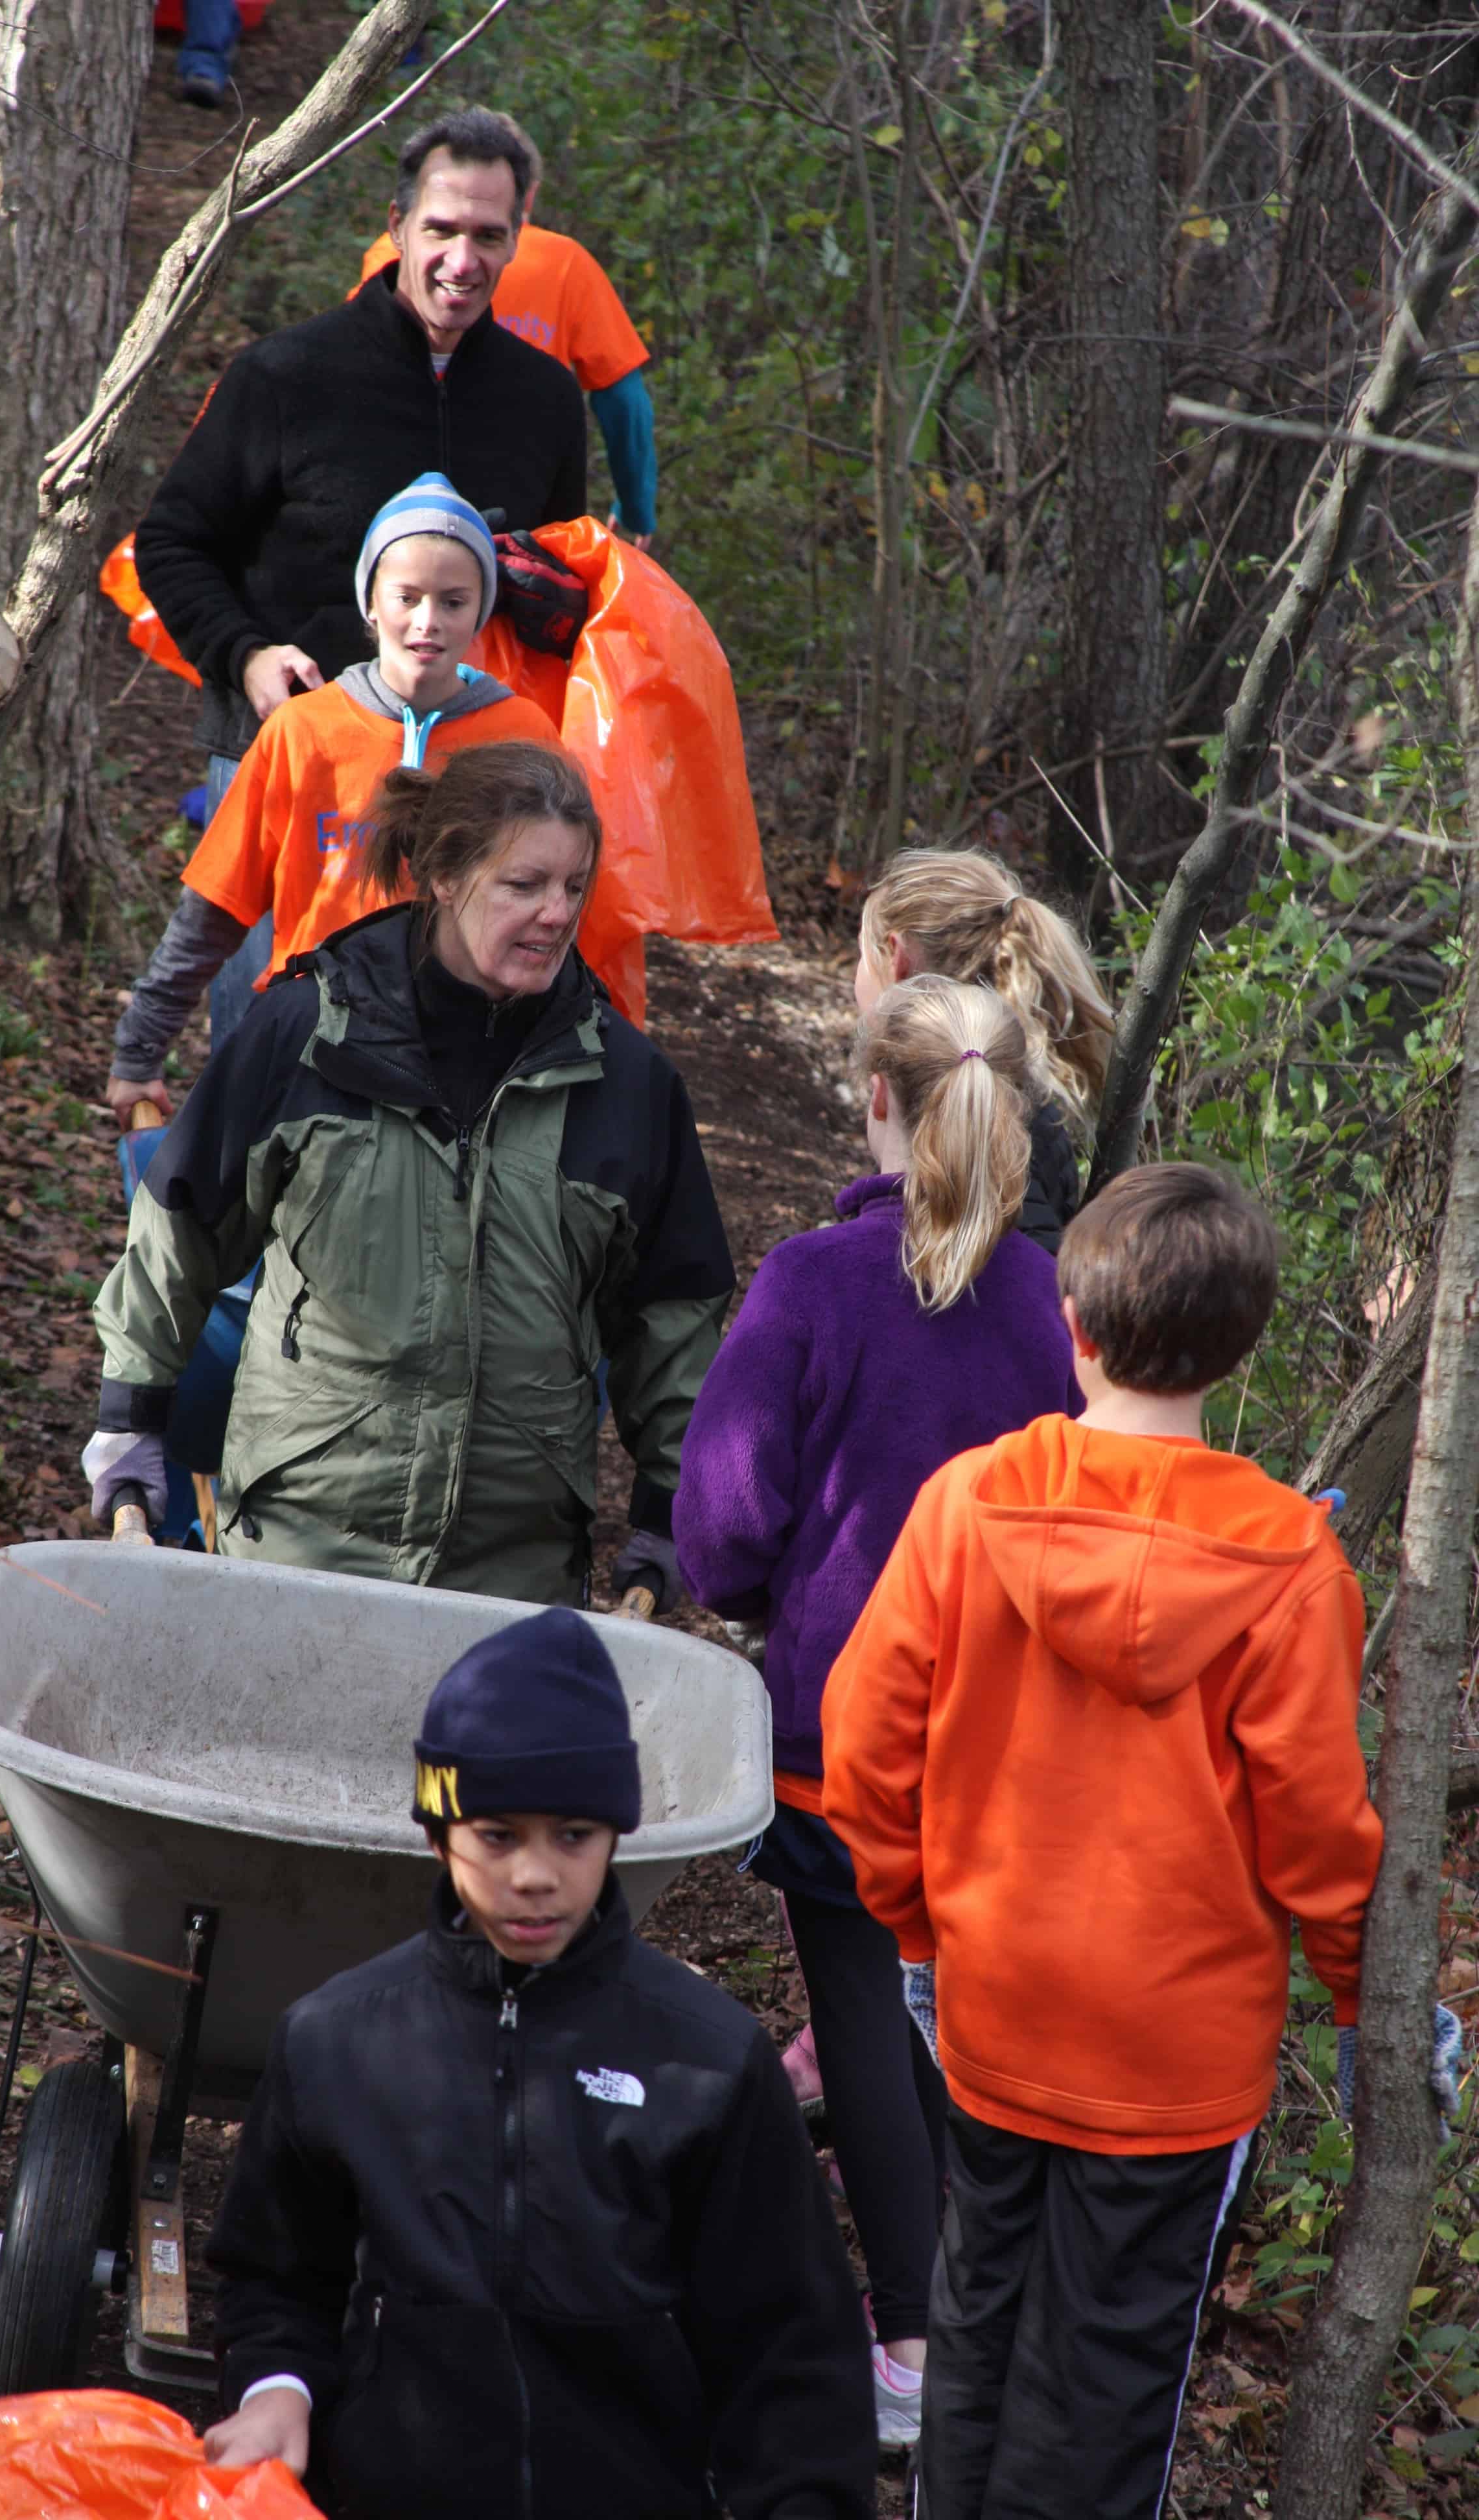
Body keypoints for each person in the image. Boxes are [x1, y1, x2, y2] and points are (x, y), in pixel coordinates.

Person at [821, 1163, 1386, 2518]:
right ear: (1241, 1350)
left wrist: (918, 1933)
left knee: (976, 2328)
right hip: (1172, 2062)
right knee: (1109, 2378)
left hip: (997, 2005)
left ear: (1073, 1324)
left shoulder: (971, 1503)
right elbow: (1319, 1826)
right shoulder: (1291, 1568)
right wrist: (1371, 2003)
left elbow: (862, 1751)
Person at [200, 1605, 878, 2520]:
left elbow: (792, 2353)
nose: (534, 1874)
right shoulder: (335, 2043)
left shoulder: (709, 2065)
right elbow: (276, 2278)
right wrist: (280, 2387)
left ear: (616, 1836)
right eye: (497, 1835)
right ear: (439, 1832)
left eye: (573, 1835)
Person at [673, 976, 1078, 2453]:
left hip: (846, 1731)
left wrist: (751, 1593)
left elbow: (720, 1525)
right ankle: (996, 2325)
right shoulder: (1056, 1298)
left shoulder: (813, 1282)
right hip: (1012, 1735)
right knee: (950, 2017)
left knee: (863, 2009)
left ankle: (914, 2338)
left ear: (871, 1099)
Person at [82, 743, 728, 1608]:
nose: (556, 914)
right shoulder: (305, 1033)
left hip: (511, 1582)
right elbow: (180, 1232)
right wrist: (130, 1424)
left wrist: (665, 1509)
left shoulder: (629, 1086)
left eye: (574, 887)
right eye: (524, 884)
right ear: (445, 875)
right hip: (297, 1551)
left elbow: (674, 1320)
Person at [134, 104, 587, 891]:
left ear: (519, 238)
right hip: (284, 751)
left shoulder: (545, 399)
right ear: (399, 226)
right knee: (268, 1006)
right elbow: (172, 542)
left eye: (488, 235)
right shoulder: (285, 375)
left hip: (467, 784)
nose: (462, 259)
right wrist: (246, 657)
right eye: (441, 229)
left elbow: (554, 588)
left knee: (434, 1013)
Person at [104, 474, 561, 1120]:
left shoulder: (524, 736)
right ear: (371, 602)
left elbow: (565, 919)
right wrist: (139, 1050)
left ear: (482, 609)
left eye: (453, 601)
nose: (428, 622)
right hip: (312, 1057)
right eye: (407, 597)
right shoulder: (303, 730)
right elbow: (214, 909)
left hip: (472, 1067)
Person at [356, 113, 657, 547]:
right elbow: (624, 401)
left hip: (396, 485)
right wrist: (636, 507)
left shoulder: (387, 256)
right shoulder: (566, 262)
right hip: (515, 482)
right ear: (530, 192)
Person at [854, 846, 1114, 1252]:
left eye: (861, 957)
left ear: (898, 960)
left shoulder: (995, 1109)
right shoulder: (1012, 1093)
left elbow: (1028, 1271)